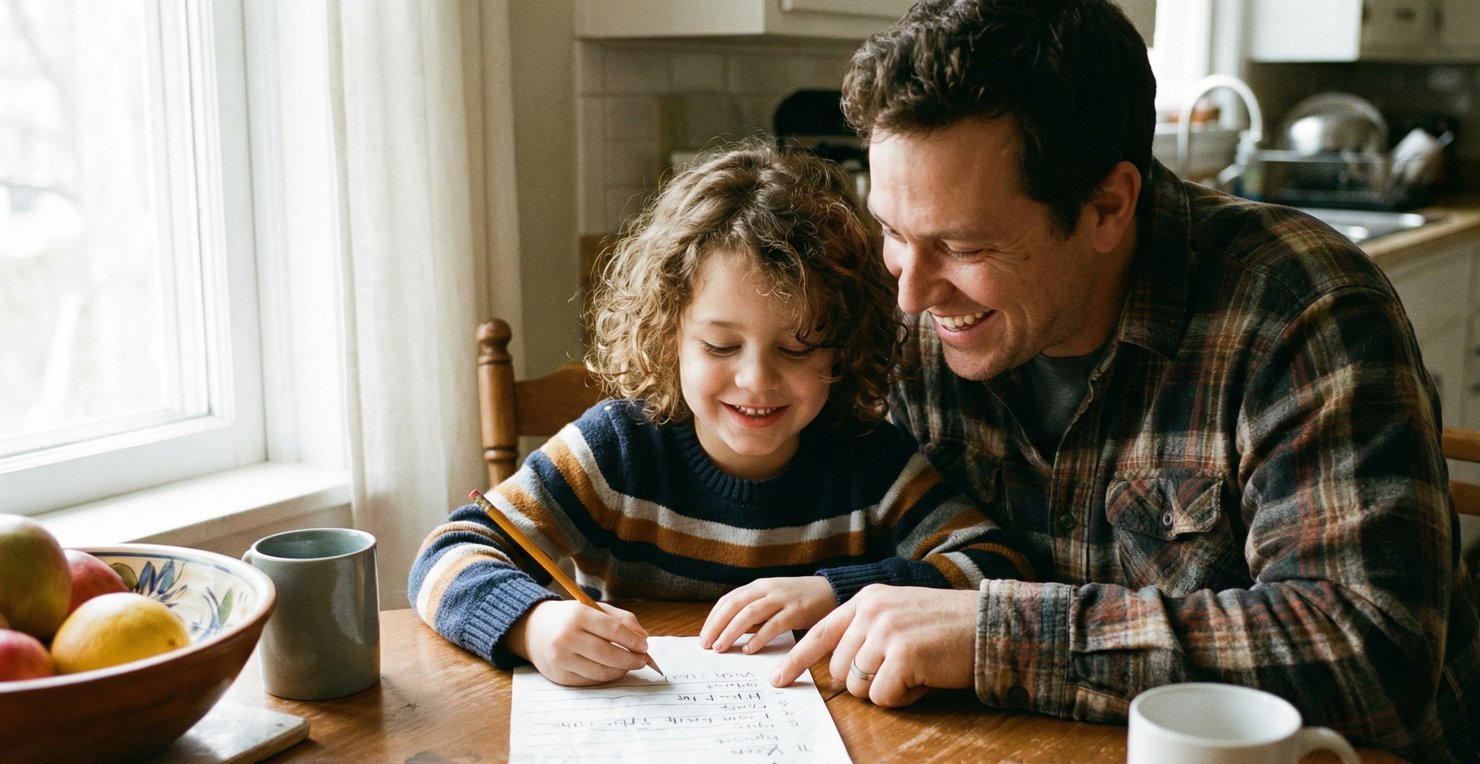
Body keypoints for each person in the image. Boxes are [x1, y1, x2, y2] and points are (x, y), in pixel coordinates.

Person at [768, 0, 1480, 764]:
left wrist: (996, 634)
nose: (911, 294)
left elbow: (1369, 650)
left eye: (964, 247)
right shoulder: (927, 315)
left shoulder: (1300, 305)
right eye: (892, 231)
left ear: (1108, 207)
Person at [408, 139, 1026, 687]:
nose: (756, 380)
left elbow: (998, 566)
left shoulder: (870, 460)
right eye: (720, 346)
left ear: (841, 348)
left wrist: (834, 593)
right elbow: (445, 555)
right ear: (667, 334)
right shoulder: (615, 452)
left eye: (796, 347)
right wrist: (533, 624)